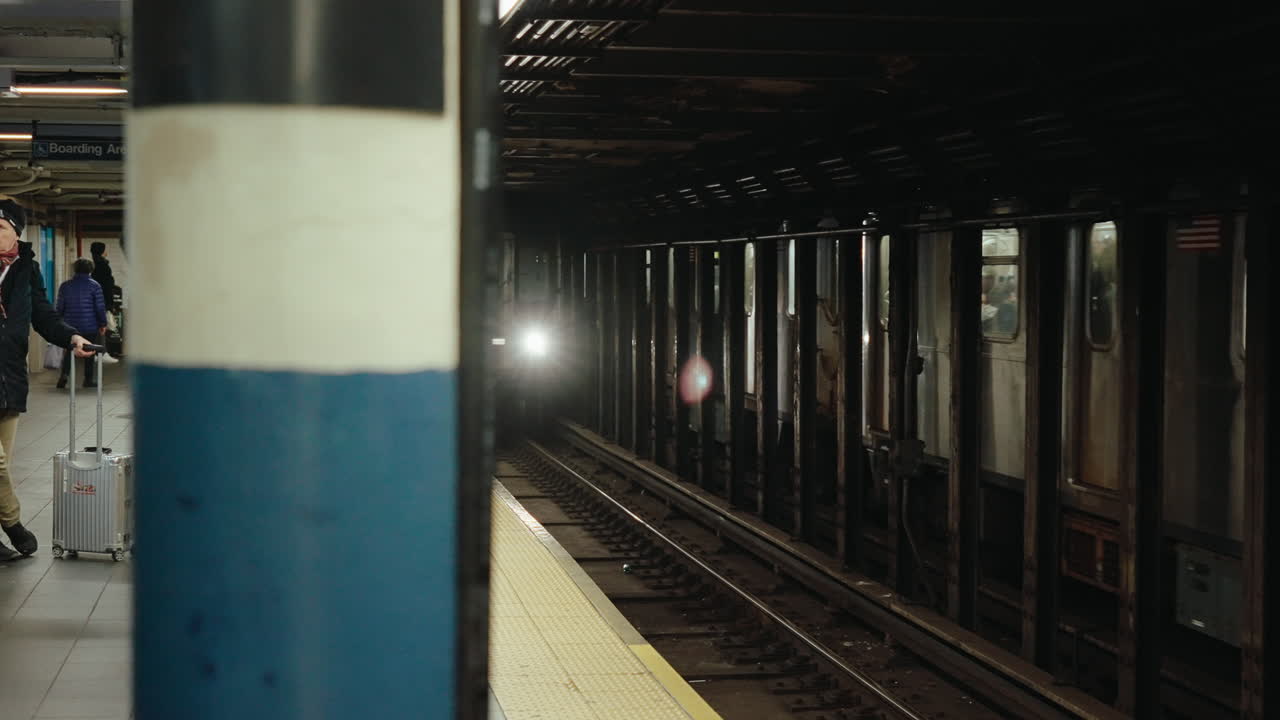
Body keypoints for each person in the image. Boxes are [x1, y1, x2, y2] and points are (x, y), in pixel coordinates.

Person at [0, 197, 97, 561]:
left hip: (8, 377)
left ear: (15, 233)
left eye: (0, 228)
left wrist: (72, 337)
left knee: (2, 467)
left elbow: (42, 315)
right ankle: (12, 524)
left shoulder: (26, 270)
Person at [55, 258, 108, 390]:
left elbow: (59, 307)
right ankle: (88, 379)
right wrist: (103, 324)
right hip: (90, 325)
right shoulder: (95, 286)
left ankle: (64, 376)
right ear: (91, 270)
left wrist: (58, 322)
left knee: (69, 350)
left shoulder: (65, 286)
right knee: (89, 351)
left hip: (70, 326)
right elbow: (100, 307)